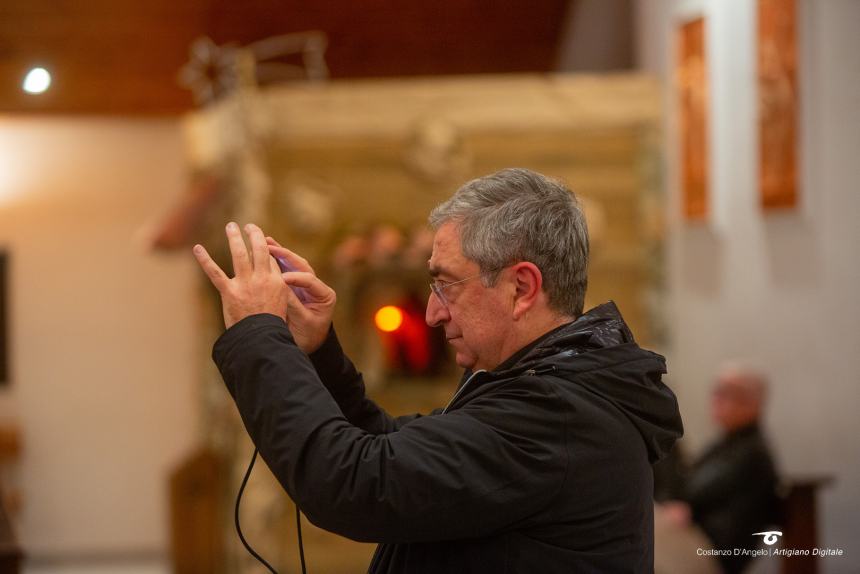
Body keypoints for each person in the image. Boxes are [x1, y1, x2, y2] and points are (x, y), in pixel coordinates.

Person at [193, 168, 684, 573]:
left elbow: (357, 484)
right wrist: (319, 351)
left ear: (522, 288)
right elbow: (394, 454)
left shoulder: (555, 416)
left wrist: (260, 333)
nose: (432, 313)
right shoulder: (547, 387)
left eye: (446, 284)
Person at [659, 364, 779, 574]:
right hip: (698, 541)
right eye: (716, 391)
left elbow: (692, 491)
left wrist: (665, 441)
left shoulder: (752, 452)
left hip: (712, 553)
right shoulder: (727, 443)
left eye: (725, 392)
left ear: (753, 402)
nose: (716, 399)